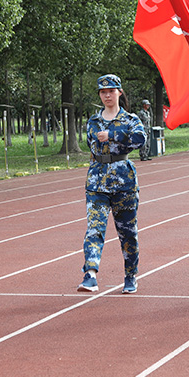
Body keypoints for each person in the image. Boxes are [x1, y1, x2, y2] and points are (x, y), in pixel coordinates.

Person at [77, 74, 146, 294]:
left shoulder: (131, 119)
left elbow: (140, 139)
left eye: (111, 91)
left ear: (119, 93)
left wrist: (113, 134)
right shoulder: (93, 121)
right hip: (97, 180)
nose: (107, 95)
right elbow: (91, 143)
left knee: (127, 232)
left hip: (123, 181)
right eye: (103, 92)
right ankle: (90, 273)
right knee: (94, 228)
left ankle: (130, 275)